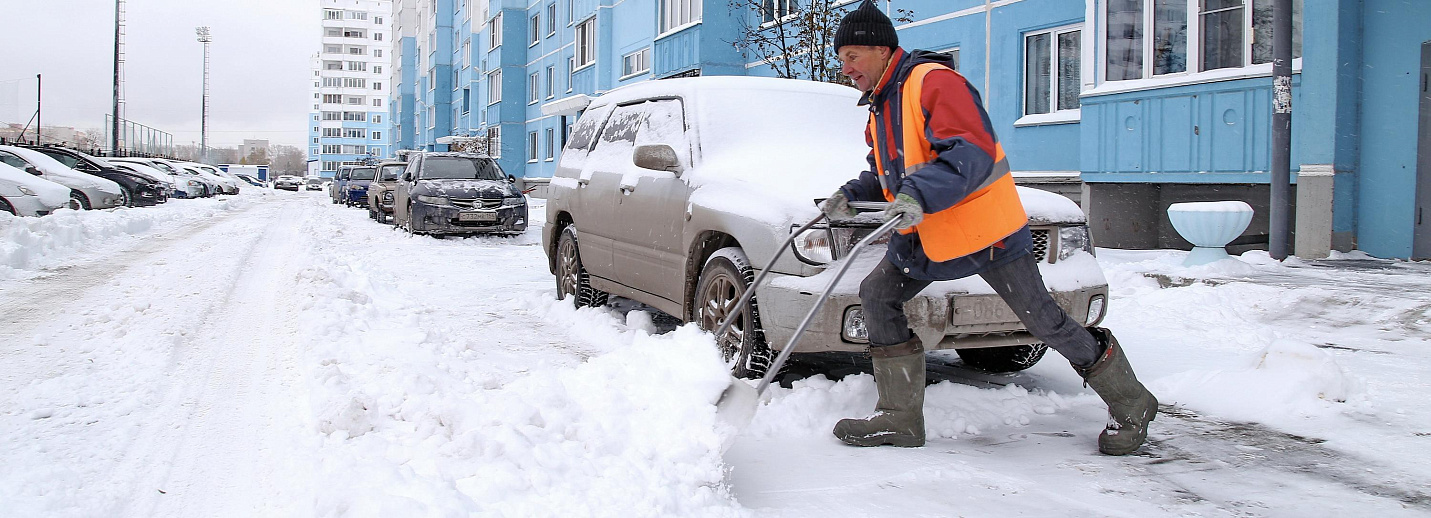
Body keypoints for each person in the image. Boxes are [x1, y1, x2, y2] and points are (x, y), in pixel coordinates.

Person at [821, 0, 1157, 456]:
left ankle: (1132, 402)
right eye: (842, 59)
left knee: (1045, 320)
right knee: (878, 294)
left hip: (986, 232)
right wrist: (850, 195)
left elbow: (970, 152)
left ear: (881, 50)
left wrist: (916, 193)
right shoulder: (882, 106)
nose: (846, 69)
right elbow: (889, 174)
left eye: (851, 57)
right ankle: (898, 418)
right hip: (928, 235)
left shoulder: (934, 83)